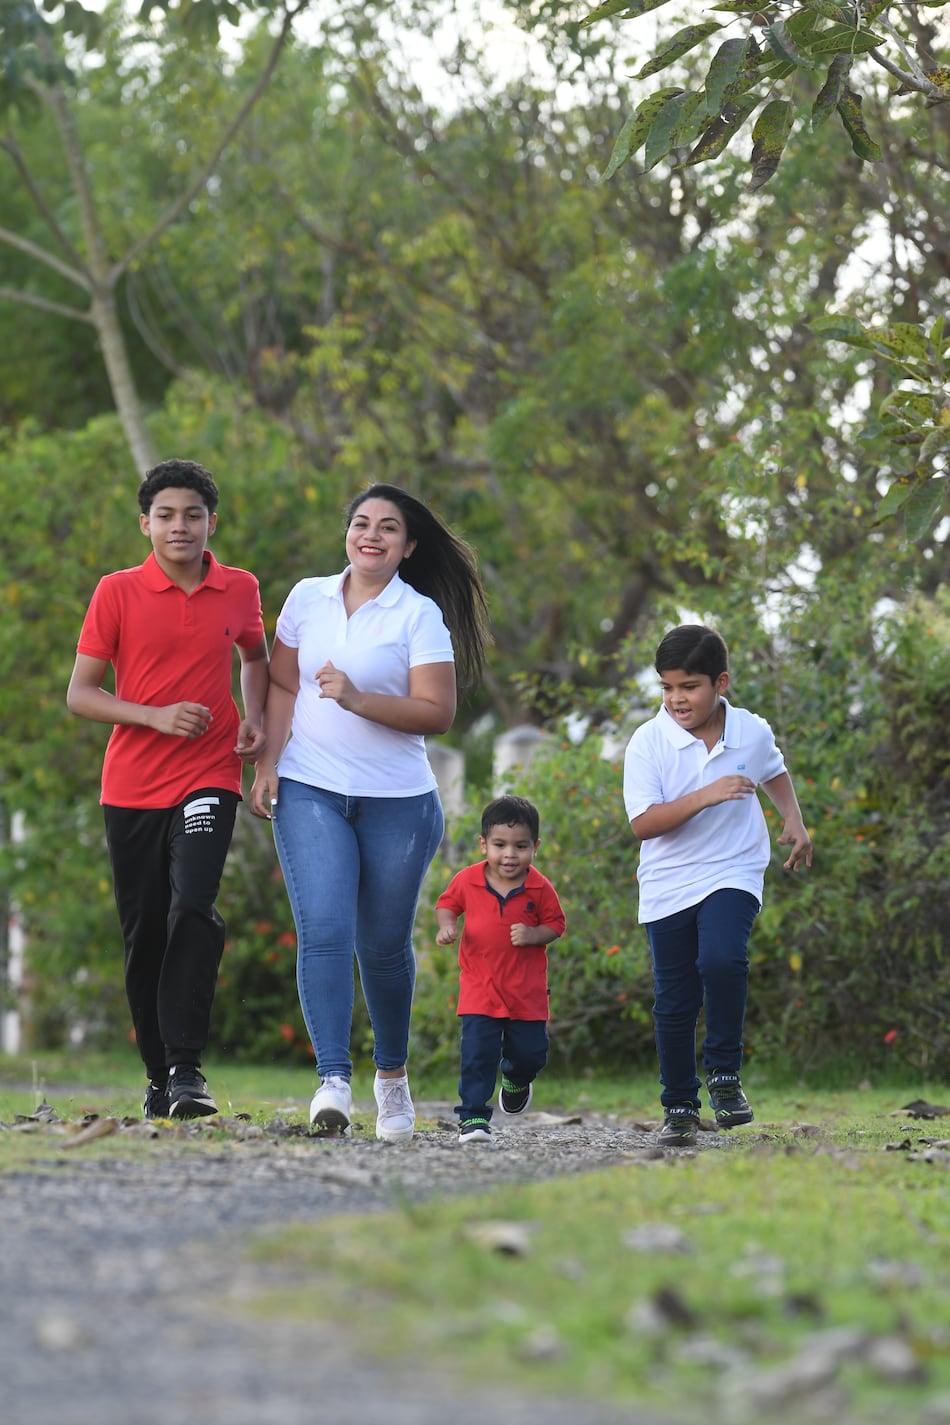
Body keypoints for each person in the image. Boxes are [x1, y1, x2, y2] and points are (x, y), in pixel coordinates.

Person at [249, 483, 490, 1144]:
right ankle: (332, 1080)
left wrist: (356, 699)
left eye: (388, 527)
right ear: (347, 533)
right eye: (361, 522)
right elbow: (282, 682)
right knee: (325, 928)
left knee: (383, 947)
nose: (372, 535)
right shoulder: (308, 598)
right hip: (310, 787)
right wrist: (267, 763)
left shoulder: (418, 615)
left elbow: (437, 713)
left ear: (408, 547)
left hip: (399, 804)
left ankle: (392, 1078)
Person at [66, 459, 269, 1121]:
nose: (179, 526)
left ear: (212, 522)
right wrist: (153, 716)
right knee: (145, 932)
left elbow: (254, 656)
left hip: (211, 770)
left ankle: (187, 1068)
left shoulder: (240, 588)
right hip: (131, 784)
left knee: (193, 906)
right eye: (166, 515)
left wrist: (255, 718)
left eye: (192, 514)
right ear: (145, 524)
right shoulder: (116, 591)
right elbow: (81, 694)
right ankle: (159, 1078)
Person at [622, 624, 812, 1147]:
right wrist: (706, 794)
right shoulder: (648, 742)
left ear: (720, 683)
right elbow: (643, 824)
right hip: (667, 881)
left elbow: (773, 769)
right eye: (667, 687)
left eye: (690, 686)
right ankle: (679, 1106)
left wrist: (793, 819)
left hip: (734, 868)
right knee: (675, 1000)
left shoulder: (751, 730)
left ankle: (725, 1075)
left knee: (723, 959)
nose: (677, 699)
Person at [435, 795, 566, 1145]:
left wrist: (534, 935)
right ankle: (473, 1117)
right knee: (477, 1055)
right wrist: (447, 926)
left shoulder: (539, 887)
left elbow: (556, 924)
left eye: (520, 846)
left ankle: (516, 1080)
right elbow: (446, 905)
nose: (510, 854)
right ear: (483, 845)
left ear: (535, 847)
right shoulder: (467, 880)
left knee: (531, 1053)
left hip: (526, 992)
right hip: (480, 989)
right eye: (500, 845)